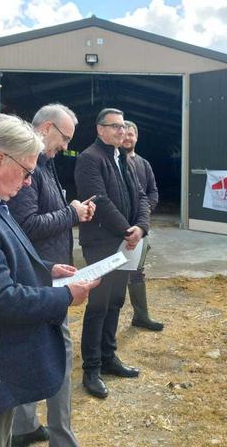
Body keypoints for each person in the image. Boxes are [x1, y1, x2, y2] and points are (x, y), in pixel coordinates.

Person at [0, 114, 97, 447]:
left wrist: (47, 268)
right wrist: (66, 296)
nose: (29, 182)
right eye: (27, 171)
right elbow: (1, 297)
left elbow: (5, 255)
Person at [9, 104, 94, 447]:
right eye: (64, 139)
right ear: (45, 128)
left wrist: (69, 211)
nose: (66, 147)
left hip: (48, 271)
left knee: (32, 350)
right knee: (60, 351)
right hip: (40, 277)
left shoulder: (45, 165)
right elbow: (27, 225)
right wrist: (71, 214)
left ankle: (24, 426)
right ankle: (62, 437)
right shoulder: (29, 169)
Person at [75, 108, 150, 398]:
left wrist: (140, 228)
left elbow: (141, 196)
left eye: (123, 127)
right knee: (98, 305)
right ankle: (91, 370)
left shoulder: (123, 160)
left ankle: (109, 357)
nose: (122, 132)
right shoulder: (89, 159)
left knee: (116, 301)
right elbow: (100, 200)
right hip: (103, 244)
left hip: (127, 241)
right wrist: (125, 231)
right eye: (115, 127)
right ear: (100, 130)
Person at [121, 120, 164, 331]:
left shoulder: (143, 164)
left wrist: (144, 215)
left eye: (132, 134)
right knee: (115, 274)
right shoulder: (113, 162)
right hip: (118, 227)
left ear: (136, 137)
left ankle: (141, 315)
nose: (128, 138)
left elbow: (153, 192)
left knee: (137, 271)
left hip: (141, 227)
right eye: (125, 134)